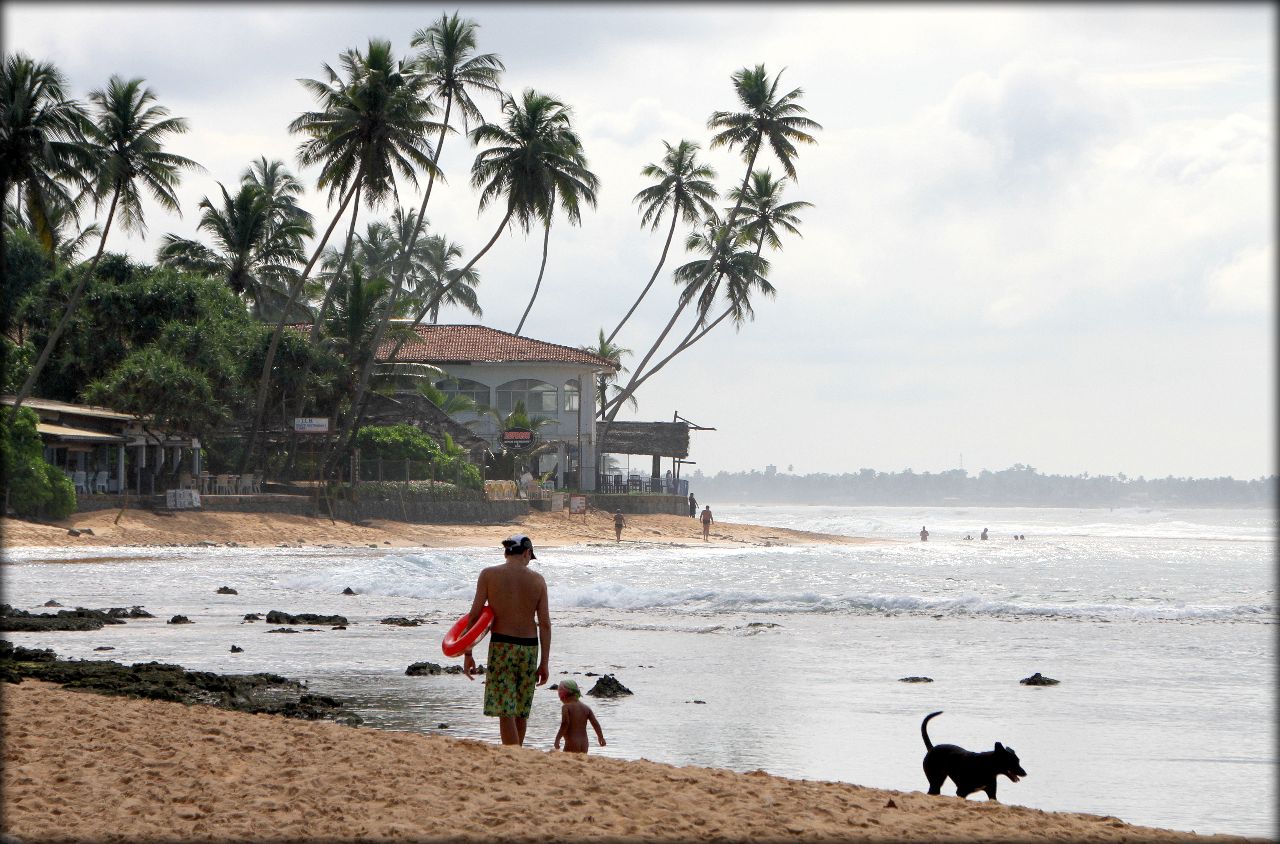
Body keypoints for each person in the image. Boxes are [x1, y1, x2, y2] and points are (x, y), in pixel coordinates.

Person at [460, 533, 550, 746]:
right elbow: (545, 624)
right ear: (527, 553)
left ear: (506, 552)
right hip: (529, 647)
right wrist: (544, 662)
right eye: (530, 555)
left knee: (505, 708)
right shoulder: (538, 580)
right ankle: (517, 751)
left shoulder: (488, 575)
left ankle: (512, 753)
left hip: (502, 645)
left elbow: (474, 615)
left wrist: (468, 652)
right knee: (521, 708)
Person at [553, 679, 606, 754]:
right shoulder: (586, 708)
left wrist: (557, 739)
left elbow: (565, 723)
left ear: (563, 695)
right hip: (585, 744)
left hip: (571, 743)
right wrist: (601, 737)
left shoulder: (566, 707)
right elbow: (595, 723)